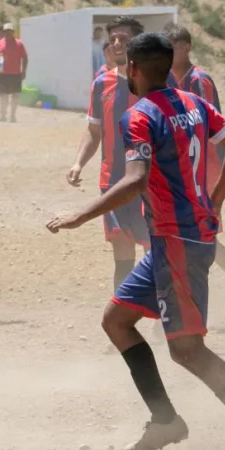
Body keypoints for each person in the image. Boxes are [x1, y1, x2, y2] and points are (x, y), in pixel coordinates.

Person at [47, 32, 225, 450]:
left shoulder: (139, 116)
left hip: (178, 241)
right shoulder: (194, 104)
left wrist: (80, 215)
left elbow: (135, 180)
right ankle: (166, 420)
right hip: (174, 239)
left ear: (133, 70)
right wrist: (217, 199)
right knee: (117, 320)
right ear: (169, 65)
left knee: (188, 351)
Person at [68, 16, 149, 294]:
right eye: (112, 39)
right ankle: (125, 316)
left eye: (123, 39)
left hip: (151, 180)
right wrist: (79, 162)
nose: (116, 44)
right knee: (122, 248)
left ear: (137, 43)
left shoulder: (158, 80)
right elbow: (93, 129)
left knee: (155, 247)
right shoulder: (101, 84)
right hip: (113, 179)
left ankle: (163, 318)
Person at [165, 22, 225, 290]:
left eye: (171, 47)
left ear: (186, 48)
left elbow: (208, 126)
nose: (166, 53)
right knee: (197, 236)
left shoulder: (199, 80)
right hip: (189, 167)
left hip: (205, 167)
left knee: (199, 235)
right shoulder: (171, 79)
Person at [0, 23, 27, 123]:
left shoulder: (19, 43)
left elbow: (25, 57)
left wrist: (24, 71)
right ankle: (2, 116)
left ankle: (12, 116)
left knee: (15, 95)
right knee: (3, 95)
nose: (8, 33)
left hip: (15, 73)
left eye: (10, 31)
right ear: (3, 32)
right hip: (3, 73)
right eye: (6, 31)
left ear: (13, 32)